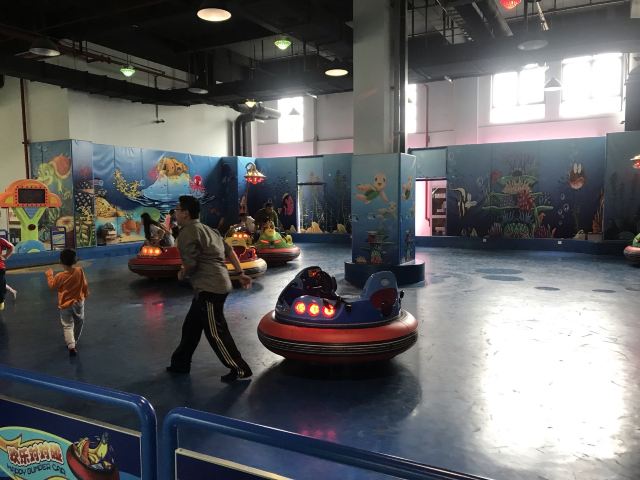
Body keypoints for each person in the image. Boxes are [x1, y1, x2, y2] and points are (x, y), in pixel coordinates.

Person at [166, 195, 253, 382]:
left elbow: (191, 265)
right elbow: (229, 251)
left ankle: (240, 369)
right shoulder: (209, 229)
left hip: (210, 289)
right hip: (212, 286)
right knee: (191, 327)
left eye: (177, 210)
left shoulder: (187, 233)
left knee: (215, 332)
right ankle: (180, 363)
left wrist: (182, 273)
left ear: (186, 213)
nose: (175, 213)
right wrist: (240, 273)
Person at [45, 249, 89, 356]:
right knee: (79, 322)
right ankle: (75, 340)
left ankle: (71, 345)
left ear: (60, 261)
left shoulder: (60, 276)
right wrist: (85, 293)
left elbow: (52, 286)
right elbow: (84, 284)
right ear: (75, 260)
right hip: (79, 302)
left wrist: (49, 275)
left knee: (67, 325)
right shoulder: (79, 270)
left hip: (65, 305)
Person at [0, 237, 14, 311]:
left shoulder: (1, 240)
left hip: (0, 268)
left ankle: (1, 301)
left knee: (1, 285)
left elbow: (11, 247)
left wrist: (5, 256)